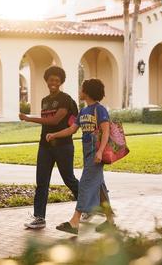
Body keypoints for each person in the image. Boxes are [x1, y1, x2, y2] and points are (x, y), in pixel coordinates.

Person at [46, 78, 115, 235]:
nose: (79, 91)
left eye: (82, 88)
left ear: (88, 92)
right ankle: (110, 221)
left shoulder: (100, 110)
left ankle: (74, 222)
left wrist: (99, 152)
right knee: (99, 188)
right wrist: (54, 134)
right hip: (87, 152)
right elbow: (71, 130)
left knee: (84, 184)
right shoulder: (84, 111)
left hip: (96, 153)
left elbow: (106, 132)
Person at [19, 66, 79, 229]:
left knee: (68, 178)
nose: (54, 82)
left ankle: (88, 205)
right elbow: (48, 122)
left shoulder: (65, 99)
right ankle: (39, 217)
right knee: (42, 182)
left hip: (63, 145)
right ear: (47, 80)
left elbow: (54, 121)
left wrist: (29, 118)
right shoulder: (45, 100)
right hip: (45, 146)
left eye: (57, 80)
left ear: (61, 82)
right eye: (51, 79)